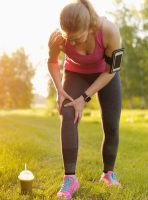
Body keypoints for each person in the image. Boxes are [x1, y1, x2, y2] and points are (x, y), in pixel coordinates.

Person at [47, 0, 123, 199]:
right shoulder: (59, 36)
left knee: (112, 124)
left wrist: (84, 97)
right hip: (75, 73)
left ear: (90, 27)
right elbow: (52, 61)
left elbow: (112, 70)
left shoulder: (110, 31)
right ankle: (70, 178)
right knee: (68, 112)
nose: (71, 43)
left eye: (77, 38)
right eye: (68, 38)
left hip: (104, 75)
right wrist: (59, 90)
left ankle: (108, 174)